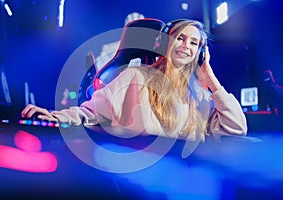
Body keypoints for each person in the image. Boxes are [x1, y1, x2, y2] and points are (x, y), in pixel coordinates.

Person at [21, 19, 247, 142]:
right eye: (180, 38)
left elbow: (236, 130)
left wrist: (210, 77)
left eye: (194, 43)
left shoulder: (202, 97)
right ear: (167, 42)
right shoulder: (135, 77)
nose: (186, 46)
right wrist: (53, 117)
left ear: (201, 53)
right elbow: (90, 112)